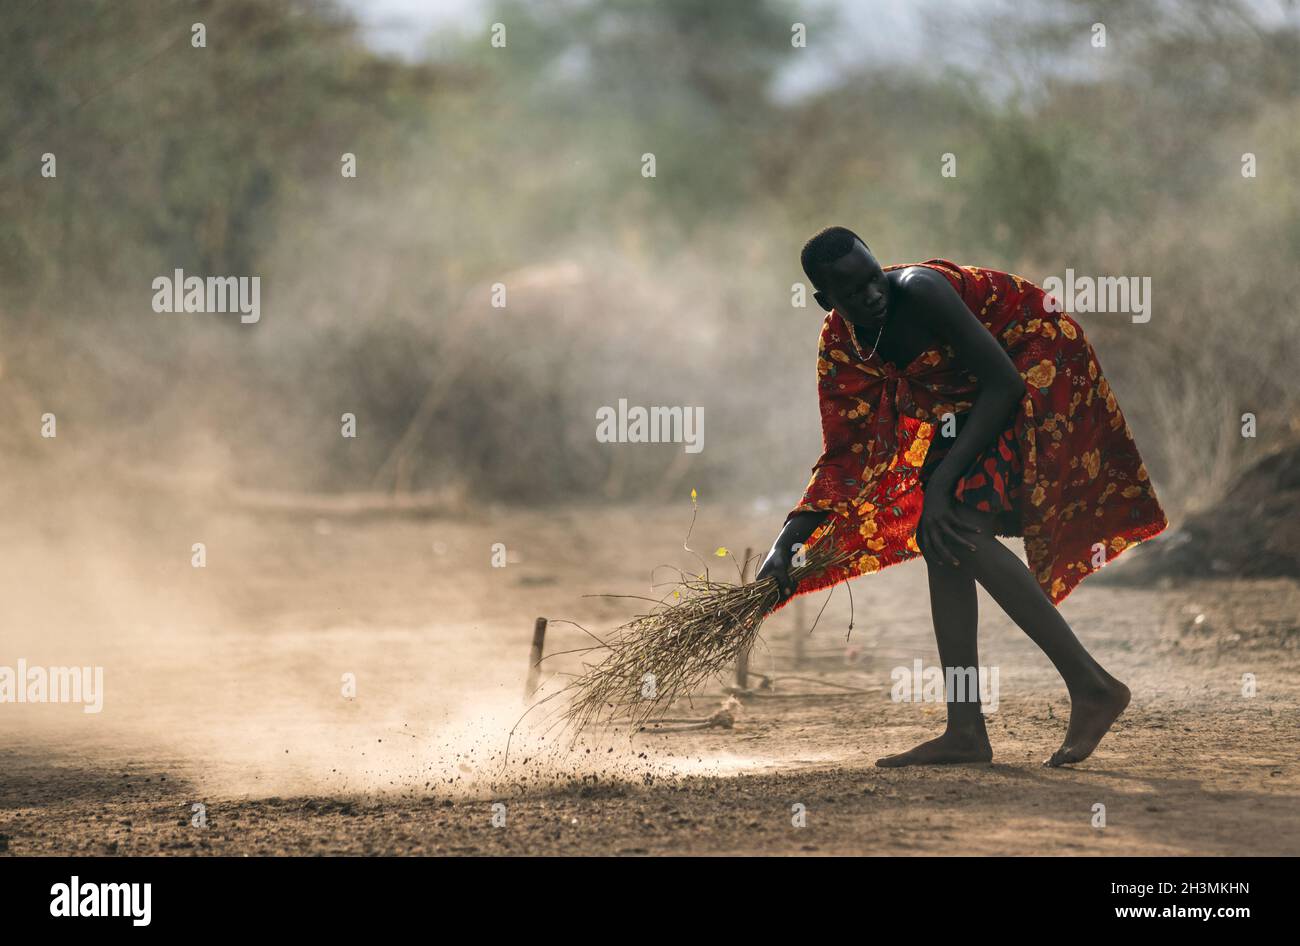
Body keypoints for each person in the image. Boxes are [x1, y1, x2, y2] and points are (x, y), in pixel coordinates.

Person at [757, 226, 1168, 767]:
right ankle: (966, 730)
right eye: (853, 293)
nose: (872, 295)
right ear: (825, 302)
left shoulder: (922, 291)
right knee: (941, 536)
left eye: (873, 279)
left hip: (1037, 366)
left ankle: (1093, 687)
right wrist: (786, 544)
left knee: (954, 525)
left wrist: (943, 486)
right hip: (968, 403)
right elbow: (844, 451)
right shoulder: (841, 346)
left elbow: (1005, 383)